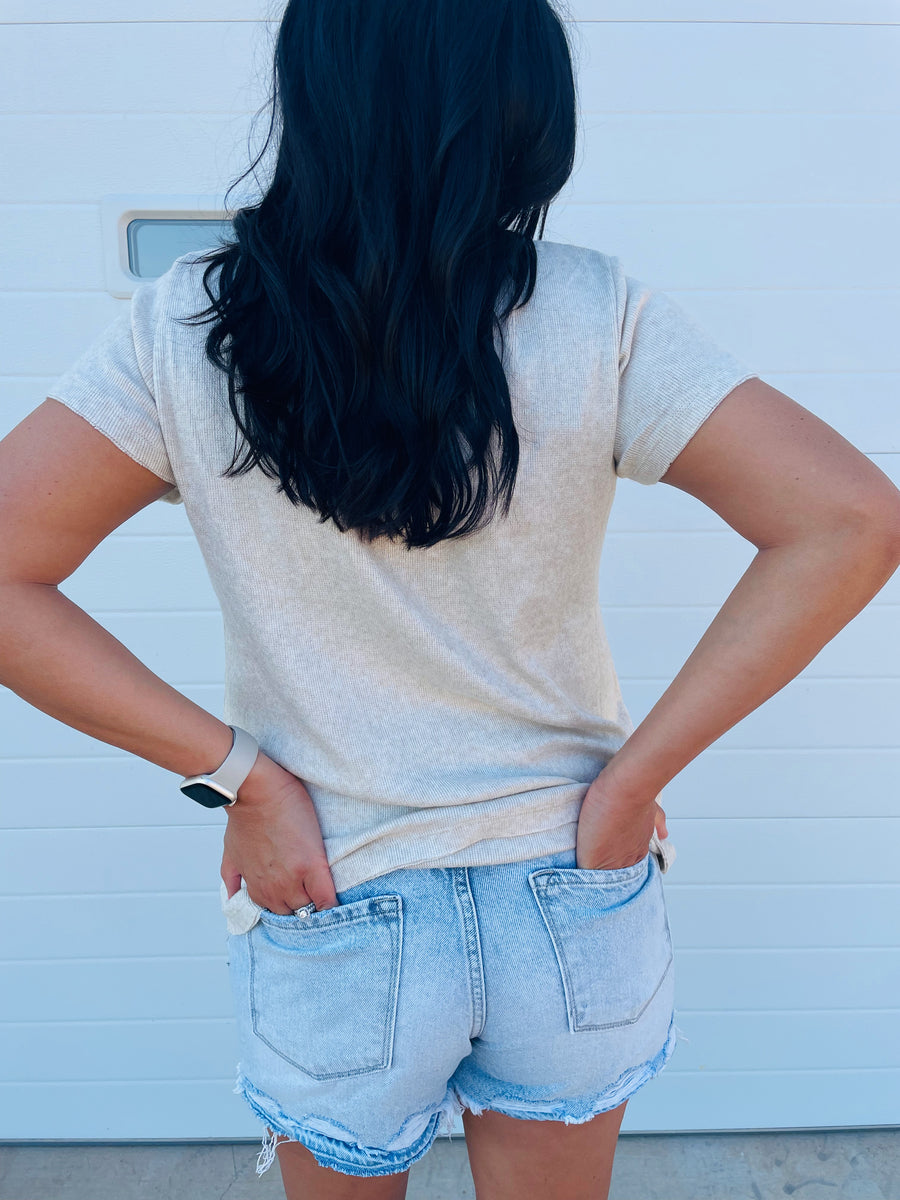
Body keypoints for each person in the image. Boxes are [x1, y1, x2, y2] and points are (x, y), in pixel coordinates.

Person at [1, 1, 899, 1197]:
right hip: (569, 891)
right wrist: (634, 778)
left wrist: (244, 779)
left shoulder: (193, 326)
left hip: (333, 889)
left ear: (314, 97)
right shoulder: (591, 311)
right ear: (519, 111)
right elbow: (851, 517)